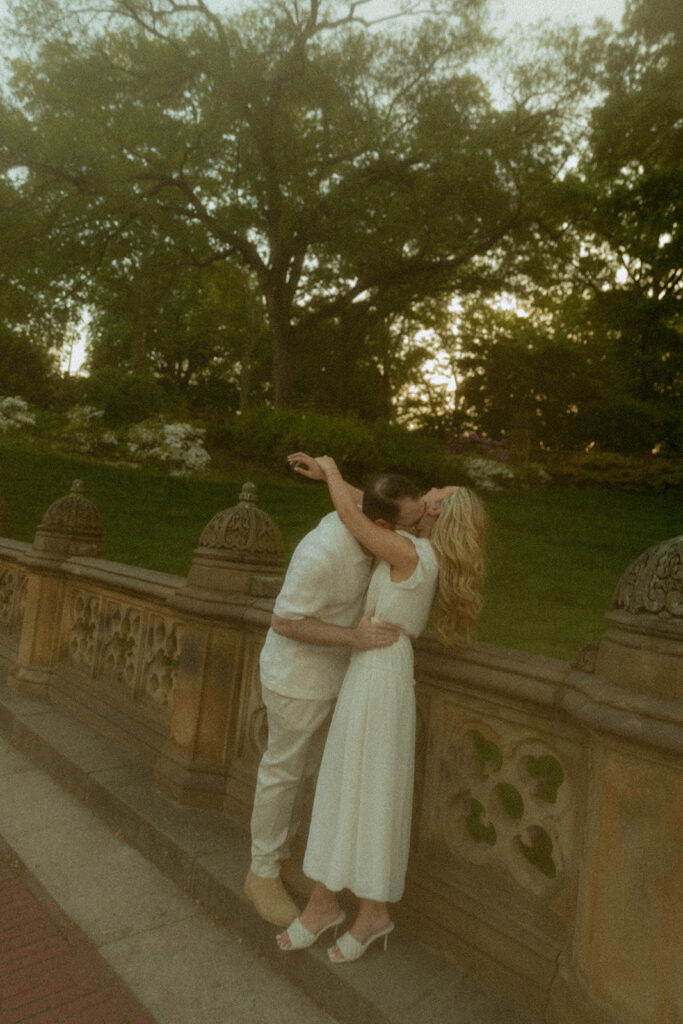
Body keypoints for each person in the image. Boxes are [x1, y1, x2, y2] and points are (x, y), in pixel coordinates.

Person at [276, 455, 485, 962]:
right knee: (350, 785)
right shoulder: (409, 545)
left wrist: (329, 469)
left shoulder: (413, 556)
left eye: (437, 496)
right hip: (372, 671)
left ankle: (366, 914)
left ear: (435, 517)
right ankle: (333, 905)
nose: (431, 491)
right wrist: (331, 479)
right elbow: (374, 507)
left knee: (366, 789)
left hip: (381, 676)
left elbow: (355, 518)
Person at [245, 470, 429, 928]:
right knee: (284, 772)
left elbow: (354, 496)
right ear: (382, 526)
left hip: (340, 677)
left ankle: (286, 858)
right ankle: (261, 872)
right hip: (297, 678)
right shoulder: (321, 552)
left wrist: (330, 470)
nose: (420, 529)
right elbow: (285, 621)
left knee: (312, 776)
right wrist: (355, 637)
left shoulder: (374, 527)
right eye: (412, 524)